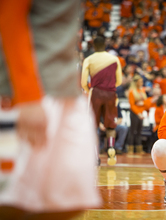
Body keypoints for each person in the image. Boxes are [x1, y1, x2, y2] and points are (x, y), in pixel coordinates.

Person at [0, 0, 101, 219]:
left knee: (69, 202)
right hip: (27, 91)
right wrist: (27, 96)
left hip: (65, 89)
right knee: (11, 204)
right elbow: (9, 17)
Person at [81, 36, 122, 166]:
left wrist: (89, 90)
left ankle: (95, 157)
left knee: (93, 126)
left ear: (93, 46)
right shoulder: (114, 59)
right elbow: (119, 81)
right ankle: (111, 147)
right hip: (111, 93)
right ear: (105, 45)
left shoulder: (89, 59)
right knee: (111, 125)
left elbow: (83, 82)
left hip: (96, 93)